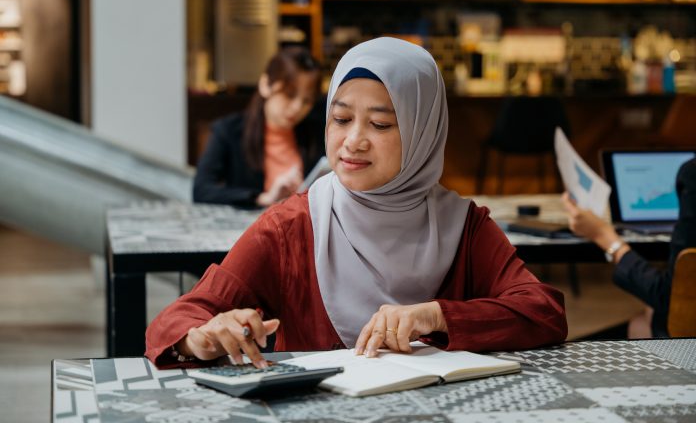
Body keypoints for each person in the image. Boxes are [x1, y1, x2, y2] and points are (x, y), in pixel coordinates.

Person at [146, 37, 567, 368]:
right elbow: (178, 319)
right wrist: (199, 338)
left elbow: (544, 312)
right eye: (341, 118)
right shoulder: (292, 226)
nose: (353, 141)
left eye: (380, 123)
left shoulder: (463, 226)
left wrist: (436, 316)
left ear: (423, 133)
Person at [562, 158, 696, 338]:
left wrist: (604, 236)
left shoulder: (692, 173)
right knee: (648, 314)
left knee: (642, 322)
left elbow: (669, 297)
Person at [193, 46, 325, 208]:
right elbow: (202, 190)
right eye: (289, 95)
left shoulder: (317, 132)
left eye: (307, 101)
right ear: (265, 85)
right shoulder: (228, 131)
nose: (297, 108)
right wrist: (262, 198)